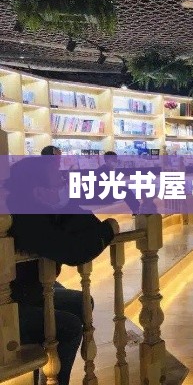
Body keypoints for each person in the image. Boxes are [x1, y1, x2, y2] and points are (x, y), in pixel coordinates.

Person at [5, 157, 119, 384]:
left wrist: (67, 206)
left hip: (27, 293)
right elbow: (72, 251)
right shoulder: (25, 216)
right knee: (69, 326)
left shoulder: (38, 208)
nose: (62, 184)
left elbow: (86, 226)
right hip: (8, 308)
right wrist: (108, 230)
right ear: (38, 191)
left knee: (81, 303)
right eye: (57, 181)